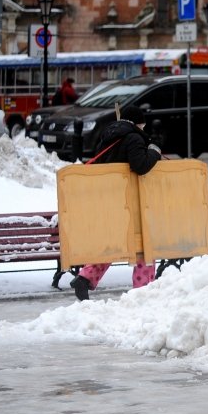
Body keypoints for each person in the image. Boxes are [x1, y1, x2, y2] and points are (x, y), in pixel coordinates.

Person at [71, 104, 164, 301]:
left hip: (112, 198)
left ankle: (85, 278)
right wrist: (154, 151)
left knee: (114, 242)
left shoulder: (108, 136)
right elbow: (140, 166)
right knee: (144, 244)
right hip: (132, 200)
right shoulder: (133, 137)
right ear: (139, 124)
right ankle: (143, 291)